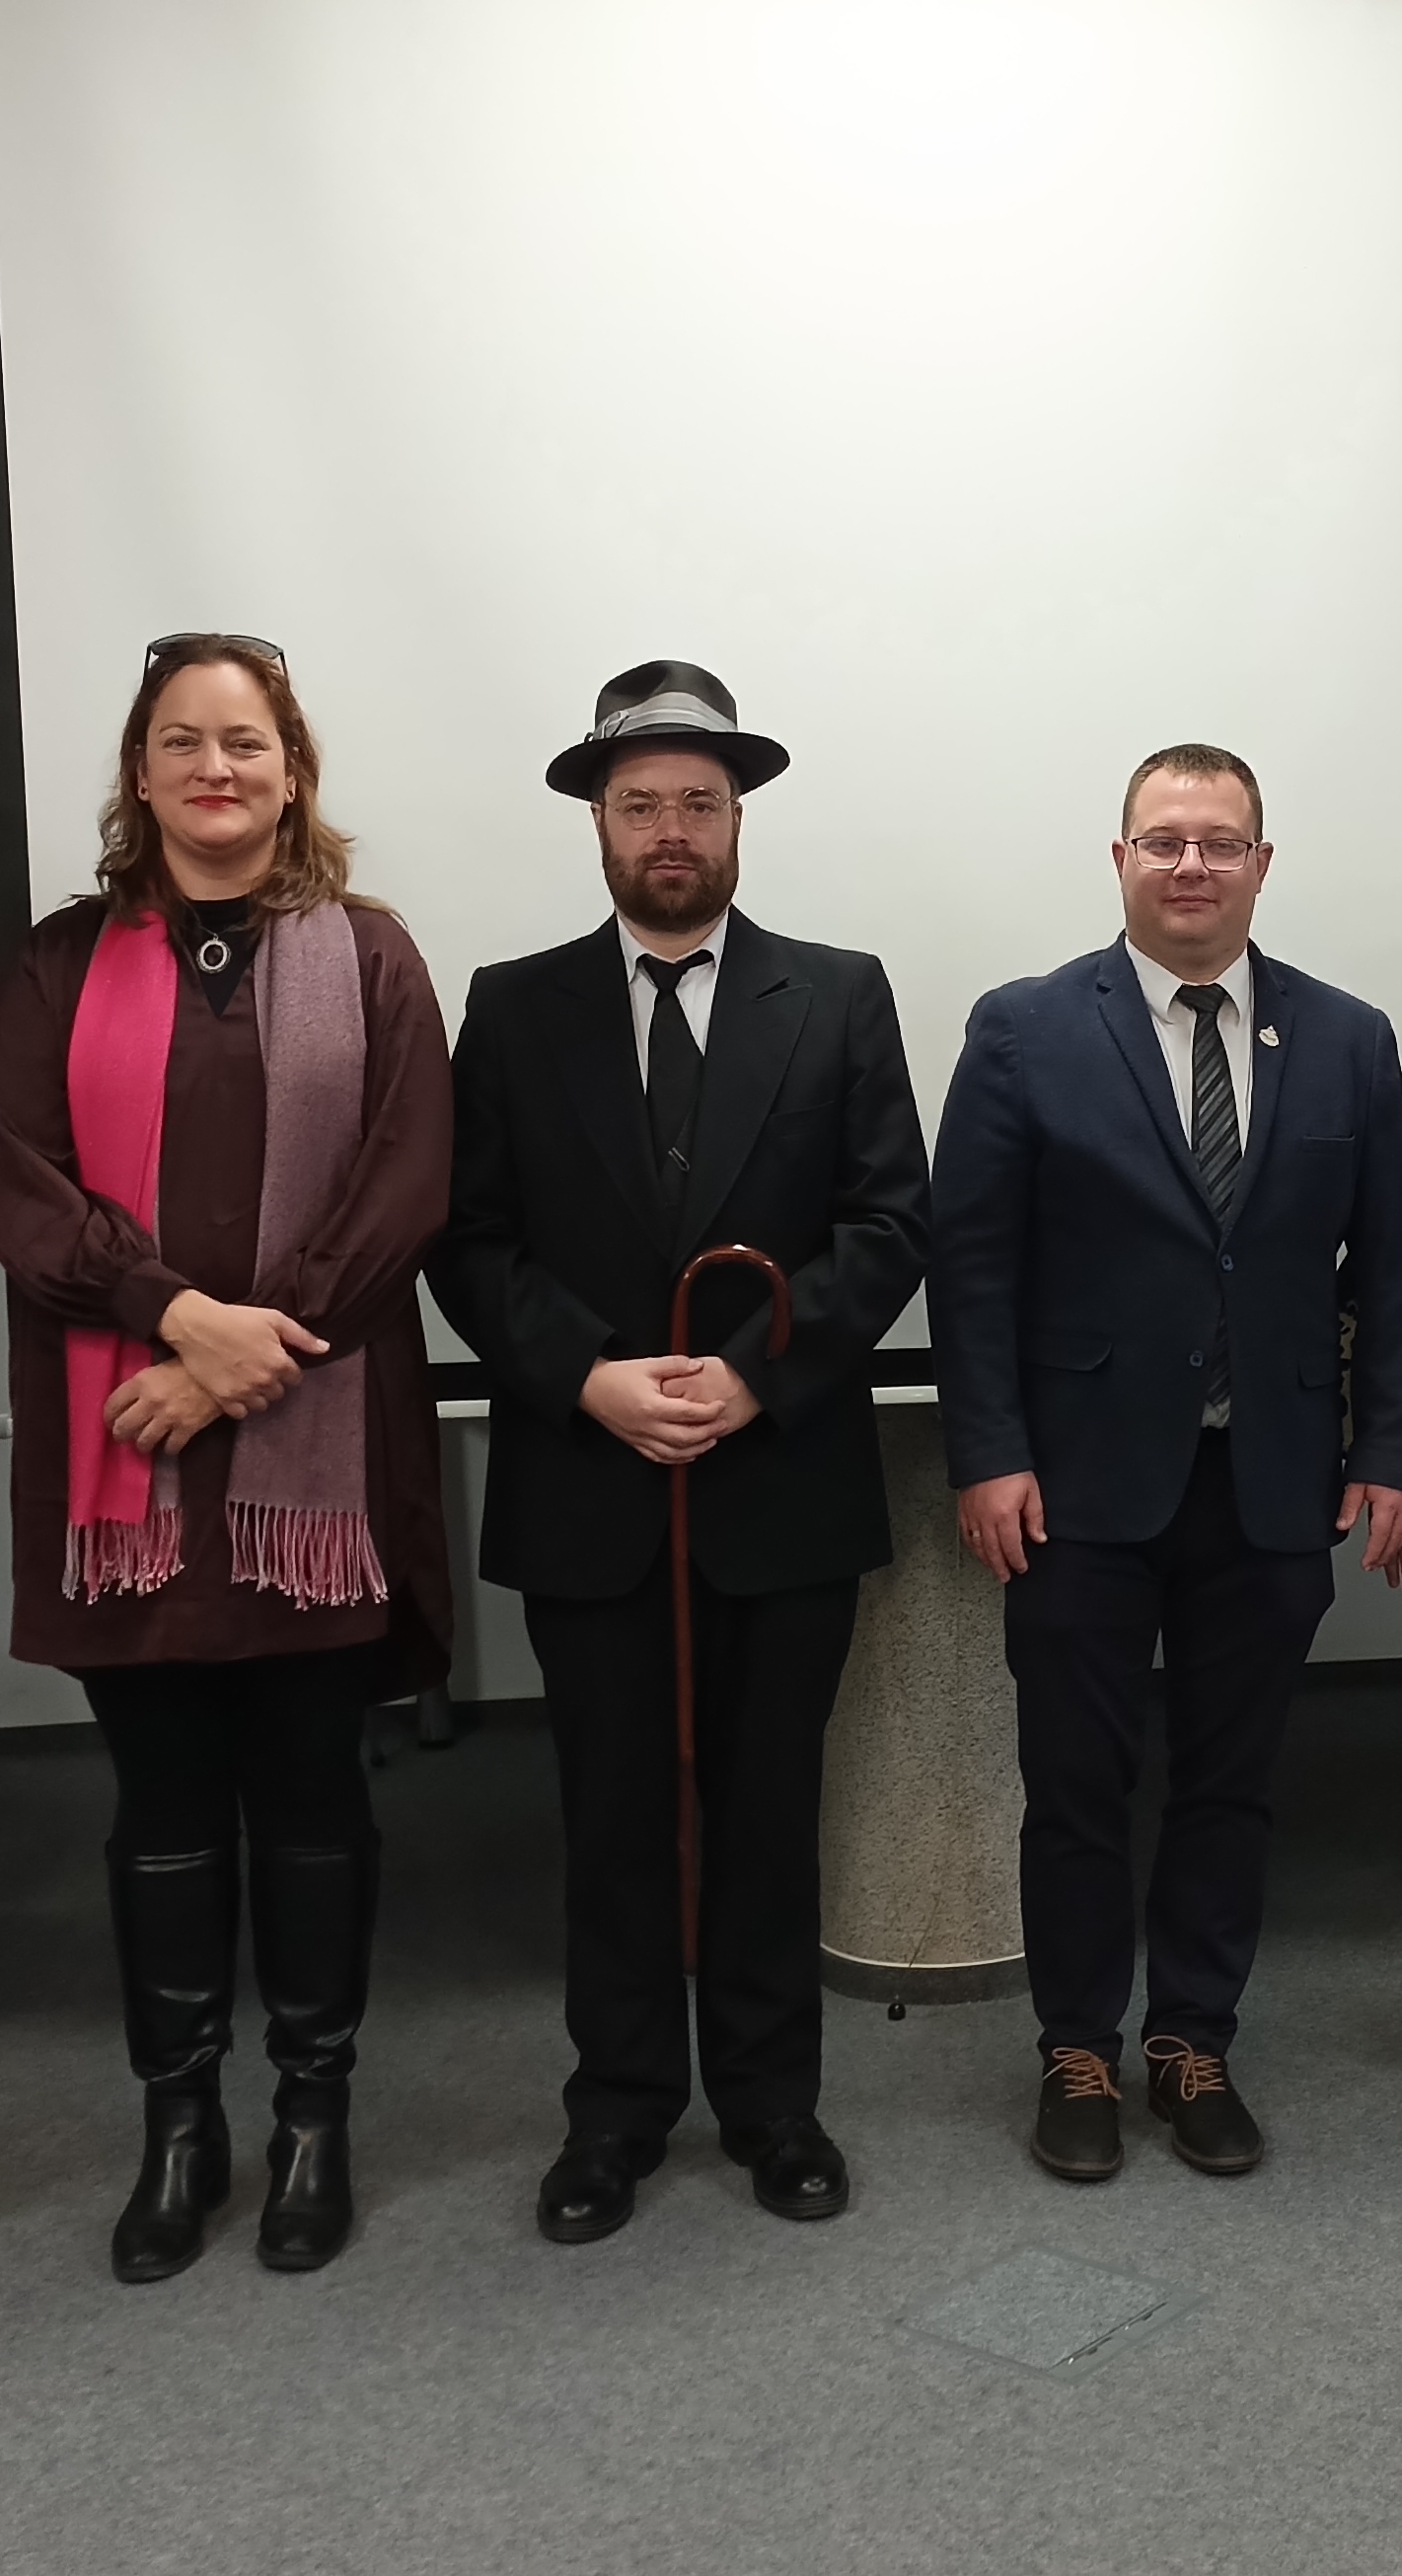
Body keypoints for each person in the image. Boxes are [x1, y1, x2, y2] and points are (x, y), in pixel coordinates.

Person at [431, 661, 930, 2245]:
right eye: (640, 802)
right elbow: (467, 1236)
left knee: (773, 1811)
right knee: (614, 1817)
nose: (669, 829)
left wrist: (751, 1375)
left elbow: (890, 1222)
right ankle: (618, 2109)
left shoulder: (838, 993)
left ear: (737, 820)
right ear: (598, 818)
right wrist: (586, 1376)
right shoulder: (514, 1005)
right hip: (590, 1484)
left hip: (779, 1483)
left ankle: (776, 2103)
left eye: (697, 804)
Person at [0, 635, 452, 2282]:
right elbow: (22, 1186)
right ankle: (179, 2123)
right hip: (126, 1460)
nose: (214, 769)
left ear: (292, 768)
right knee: (164, 1808)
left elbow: (404, 1187)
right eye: (180, 742)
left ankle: (314, 2115)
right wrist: (175, 1319)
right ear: (141, 772)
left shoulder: (373, 957)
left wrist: (245, 1354)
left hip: (316, 1461)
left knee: (315, 1800)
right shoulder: (57, 964)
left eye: (244, 741)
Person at [931, 743, 1402, 2187]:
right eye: (1165, 840)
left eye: (1221, 841)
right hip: (1076, 1484)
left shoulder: (1347, 1036)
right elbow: (972, 1263)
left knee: (1231, 1780)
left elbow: (1397, 1270)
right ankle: (1079, 2047)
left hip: (1271, 1478)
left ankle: (1194, 2038)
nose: (1193, 865)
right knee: (1076, 1782)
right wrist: (988, 1453)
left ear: (1263, 864)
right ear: (1121, 860)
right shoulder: (1026, 1027)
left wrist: (1393, 1449)